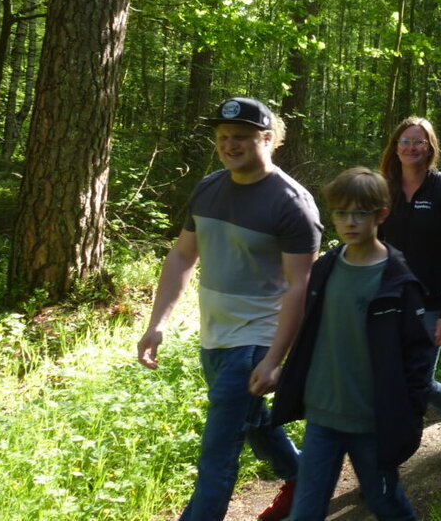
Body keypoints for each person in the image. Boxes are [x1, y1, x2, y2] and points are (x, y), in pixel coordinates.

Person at [136, 97, 322, 521]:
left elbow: (300, 287)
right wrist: (157, 324)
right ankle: (305, 475)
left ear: (268, 139)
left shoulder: (293, 203)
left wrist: (276, 360)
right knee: (253, 424)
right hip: (213, 337)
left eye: (241, 136)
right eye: (222, 137)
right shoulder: (208, 188)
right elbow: (183, 255)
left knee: (217, 452)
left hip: (255, 340)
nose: (229, 144)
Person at [271, 167, 432, 520]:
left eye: (360, 213)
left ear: (381, 215)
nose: (349, 222)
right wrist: (280, 367)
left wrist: (408, 414)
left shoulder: (398, 281)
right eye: (341, 213)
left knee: (385, 502)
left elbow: (417, 356)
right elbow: (311, 329)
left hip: (370, 420)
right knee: (305, 511)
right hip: (322, 414)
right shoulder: (326, 266)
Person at [378, 117, 441, 455]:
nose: (411, 148)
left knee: (415, 381)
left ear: (430, 148)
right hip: (391, 300)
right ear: (395, 148)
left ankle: (394, 457)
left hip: (431, 303)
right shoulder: (384, 188)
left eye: (419, 142)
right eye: (405, 141)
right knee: (394, 377)